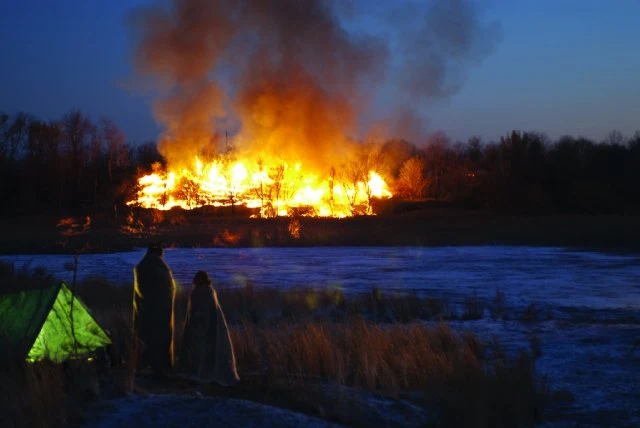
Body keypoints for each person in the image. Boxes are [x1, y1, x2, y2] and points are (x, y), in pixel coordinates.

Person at [179, 270, 240, 386]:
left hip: (205, 327)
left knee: (204, 350)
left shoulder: (207, 291)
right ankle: (199, 371)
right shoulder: (200, 292)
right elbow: (193, 311)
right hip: (199, 327)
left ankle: (203, 372)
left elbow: (210, 310)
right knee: (200, 350)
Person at [133, 243, 176, 376]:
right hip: (160, 311)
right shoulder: (160, 267)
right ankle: (158, 364)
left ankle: (145, 363)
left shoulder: (142, 266)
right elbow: (167, 288)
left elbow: (141, 290)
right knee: (159, 338)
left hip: (146, 310)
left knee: (147, 337)